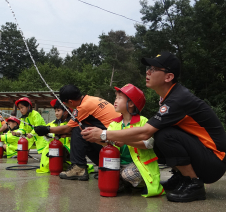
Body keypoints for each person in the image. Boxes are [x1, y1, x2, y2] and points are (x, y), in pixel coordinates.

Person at [81, 51, 226, 202]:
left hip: (214, 161)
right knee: (160, 134)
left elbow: (145, 133)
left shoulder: (178, 99)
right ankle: (181, 177)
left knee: (163, 135)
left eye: (154, 69)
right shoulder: (168, 97)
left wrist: (104, 134)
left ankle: (193, 183)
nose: (148, 72)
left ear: (168, 77)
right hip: (205, 156)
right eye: (148, 68)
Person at [34, 85, 120, 181]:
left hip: (116, 144)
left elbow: (67, 128)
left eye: (65, 104)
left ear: (70, 101)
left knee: (78, 130)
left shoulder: (83, 107)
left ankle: (78, 168)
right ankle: (106, 168)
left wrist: (47, 129)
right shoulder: (91, 99)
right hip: (118, 142)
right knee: (81, 133)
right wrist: (69, 134)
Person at [108, 84, 164, 197]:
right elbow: (108, 141)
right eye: (115, 98)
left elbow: (148, 144)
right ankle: (125, 184)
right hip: (119, 164)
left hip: (139, 165)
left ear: (131, 103)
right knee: (107, 173)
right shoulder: (114, 124)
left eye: (119, 98)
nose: (115, 101)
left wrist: (125, 141)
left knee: (126, 175)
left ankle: (141, 185)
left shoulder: (143, 122)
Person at [36, 99, 72, 173]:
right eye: (55, 111)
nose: (56, 113)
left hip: (68, 149)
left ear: (66, 111)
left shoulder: (71, 124)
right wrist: (46, 135)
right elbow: (46, 137)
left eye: (58, 110)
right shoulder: (51, 124)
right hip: (53, 148)